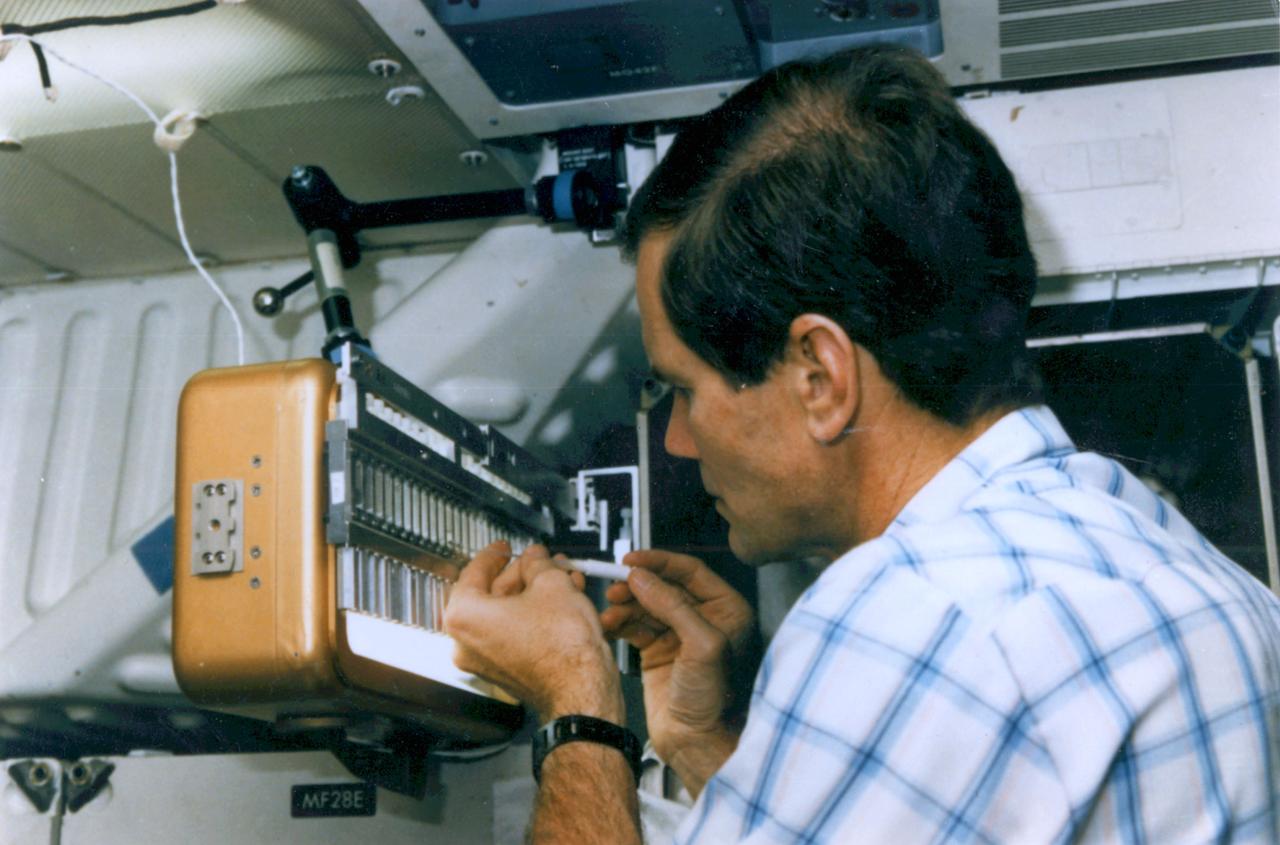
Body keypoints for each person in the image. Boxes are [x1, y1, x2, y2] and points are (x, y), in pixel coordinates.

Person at [444, 44, 1280, 843]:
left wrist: (577, 705)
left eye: (686, 391)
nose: (679, 439)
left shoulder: (915, 612)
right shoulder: (1179, 562)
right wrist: (706, 744)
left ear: (820, 375)